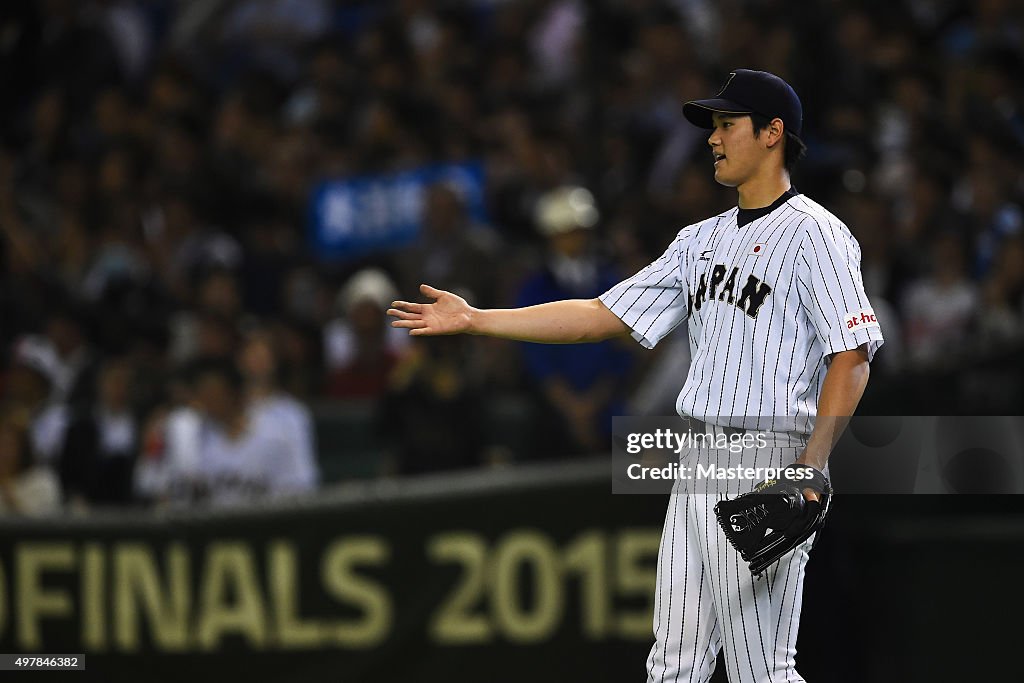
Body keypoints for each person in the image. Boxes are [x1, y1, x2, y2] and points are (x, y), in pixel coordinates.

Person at [388, 69, 883, 682]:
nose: (713, 138)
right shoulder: (699, 241)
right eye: (714, 126)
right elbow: (599, 313)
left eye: (728, 124)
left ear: (773, 133)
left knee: (762, 671)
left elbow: (853, 355)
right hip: (697, 454)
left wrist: (809, 467)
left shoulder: (818, 234)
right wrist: (478, 319)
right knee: (672, 665)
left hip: (769, 454)